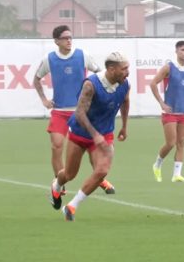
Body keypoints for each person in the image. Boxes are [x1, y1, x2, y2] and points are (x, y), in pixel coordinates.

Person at [34, 25, 115, 194]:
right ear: (56, 41)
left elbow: (100, 74)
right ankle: (59, 184)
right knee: (56, 146)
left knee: (93, 146)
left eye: (70, 37)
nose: (69, 40)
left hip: (81, 113)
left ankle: (100, 179)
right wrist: (44, 99)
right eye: (65, 38)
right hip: (59, 112)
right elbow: (36, 79)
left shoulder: (82, 55)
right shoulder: (49, 59)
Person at [49, 52, 130, 221]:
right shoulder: (91, 85)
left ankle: (72, 206)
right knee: (70, 174)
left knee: (102, 170)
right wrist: (94, 135)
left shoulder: (124, 84)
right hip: (80, 133)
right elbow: (79, 113)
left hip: (105, 133)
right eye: (124, 69)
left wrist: (124, 126)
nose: (127, 72)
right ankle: (56, 185)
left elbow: (125, 101)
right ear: (111, 69)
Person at [150, 40, 184, 183]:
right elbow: (153, 83)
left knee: (182, 143)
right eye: (183, 50)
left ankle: (177, 174)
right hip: (170, 113)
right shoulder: (168, 68)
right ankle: (157, 164)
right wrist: (162, 103)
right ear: (176, 51)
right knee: (171, 143)